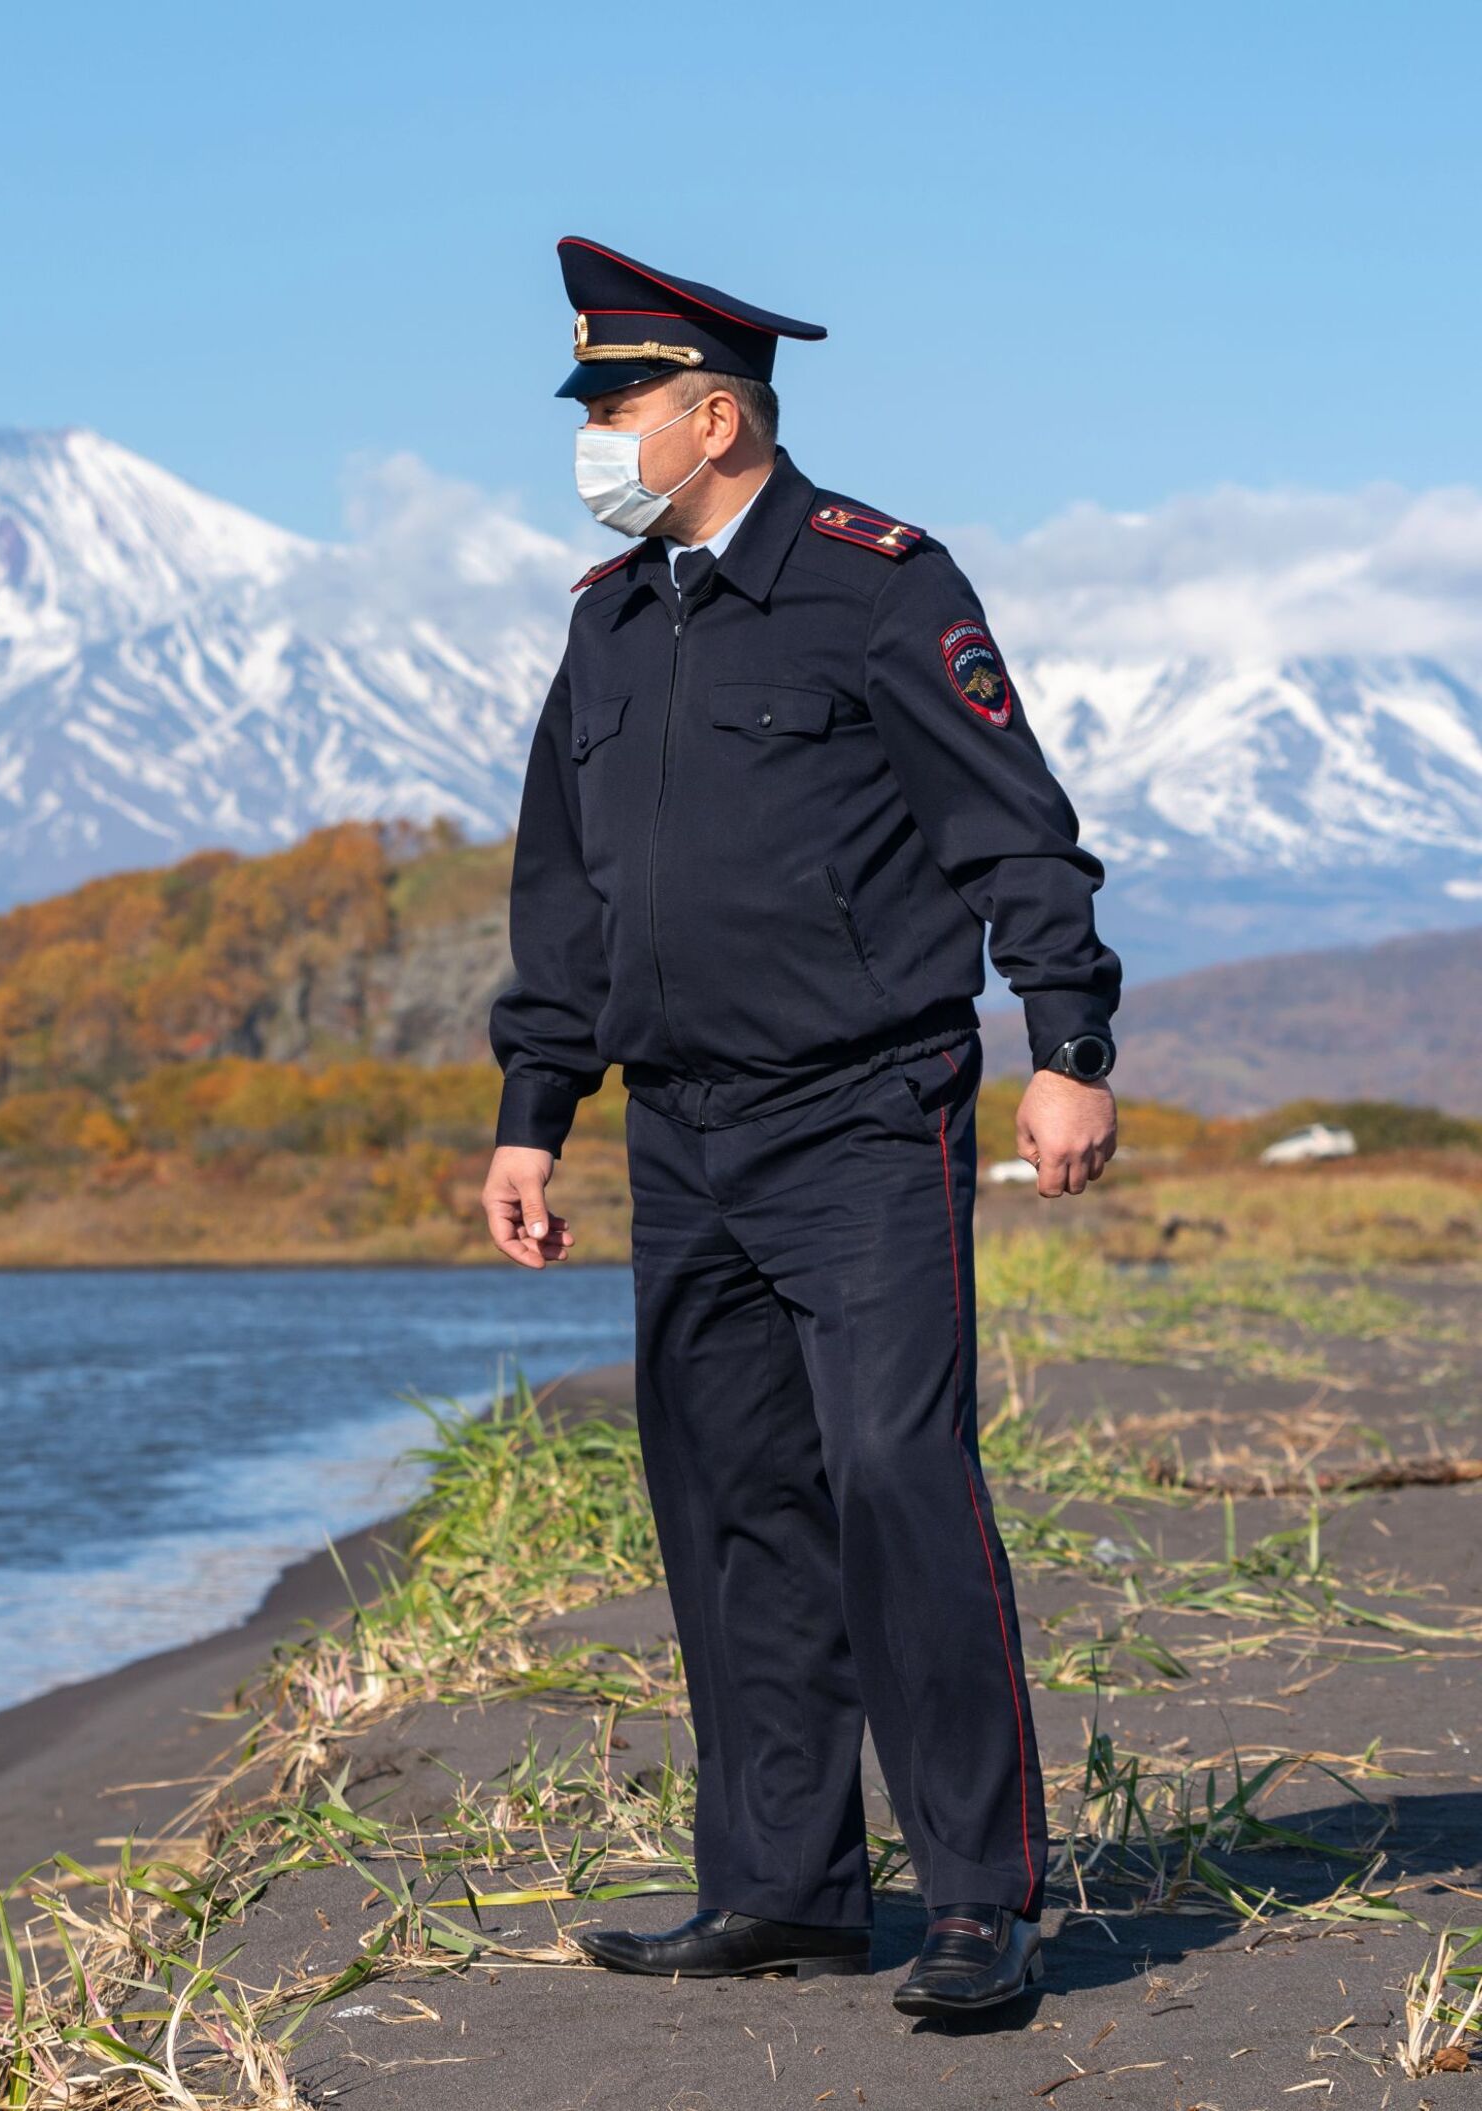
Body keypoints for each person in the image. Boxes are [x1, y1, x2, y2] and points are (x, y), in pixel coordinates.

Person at [481, 236, 1122, 2019]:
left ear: (715, 412)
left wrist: (1069, 1034)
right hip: (679, 1136)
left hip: (864, 1114)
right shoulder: (606, 625)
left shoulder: (878, 586)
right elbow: (567, 898)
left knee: (898, 1482)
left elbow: (1016, 828)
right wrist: (536, 1112)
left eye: (618, 407)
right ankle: (784, 1888)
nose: (598, 437)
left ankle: (979, 1898)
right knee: (732, 1504)